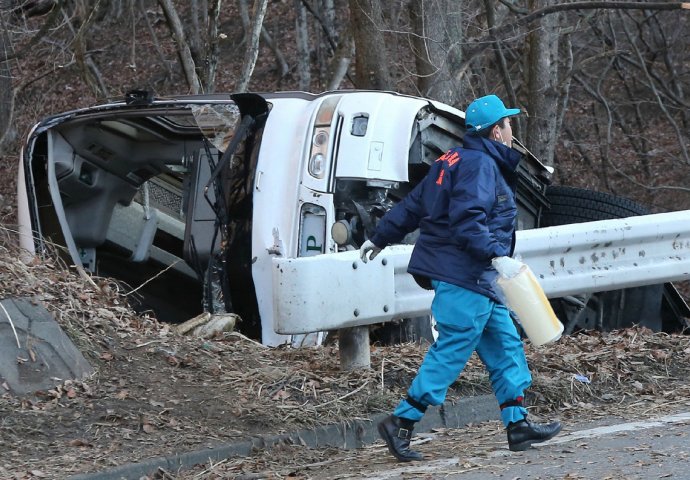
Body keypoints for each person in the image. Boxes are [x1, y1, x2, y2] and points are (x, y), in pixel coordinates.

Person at [359, 94, 562, 462]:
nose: (511, 130)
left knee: (505, 347)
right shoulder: (480, 166)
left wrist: (379, 236)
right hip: (464, 274)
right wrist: (497, 256)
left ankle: (517, 424)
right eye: (507, 123)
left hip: (477, 278)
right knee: (452, 349)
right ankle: (400, 422)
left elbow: (412, 206)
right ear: (495, 132)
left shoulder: (450, 160)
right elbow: (469, 221)